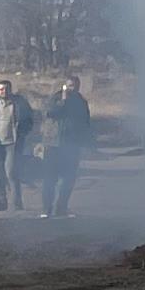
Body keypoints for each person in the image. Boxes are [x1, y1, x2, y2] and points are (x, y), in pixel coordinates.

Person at [42, 77, 93, 219]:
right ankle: (47, 208)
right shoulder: (55, 98)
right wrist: (63, 102)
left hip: (72, 145)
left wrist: (87, 143)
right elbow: (50, 113)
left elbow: (86, 123)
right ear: (64, 86)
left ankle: (61, 207)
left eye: (75, 86)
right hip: (53, 144)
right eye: (70, 86)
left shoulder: (81, 102)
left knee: (69, 178)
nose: (73, 89)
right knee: (50, 178)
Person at [0, 76, 28, 211]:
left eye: (6, 89)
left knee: (11, 171)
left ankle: (17, 201)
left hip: (12, 143)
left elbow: (29, 120)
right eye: (1, 89)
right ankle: (1, 201)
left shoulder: (19, 104)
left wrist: (23, 133)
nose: (4, 91)